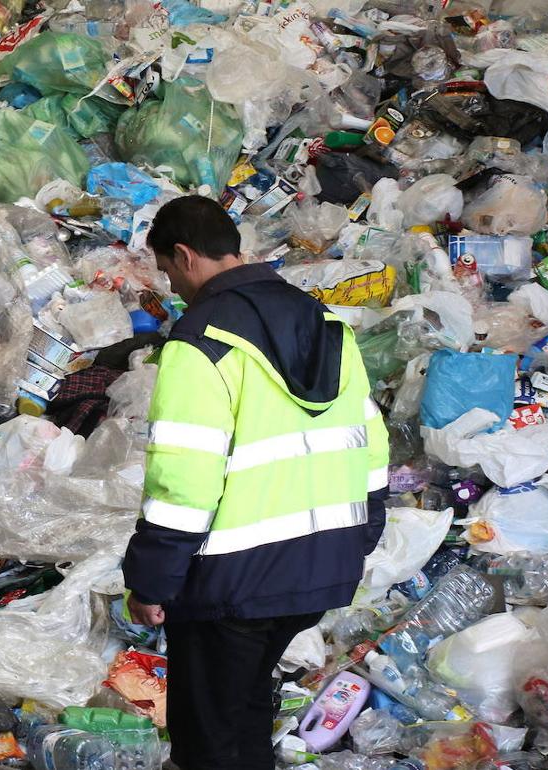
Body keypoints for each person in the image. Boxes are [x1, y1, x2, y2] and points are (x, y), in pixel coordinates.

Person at [122, 196, 389, 770]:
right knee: (242, 708)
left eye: (169, 272)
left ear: (185, 256)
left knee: (206, 740)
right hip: (322, 566)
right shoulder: (328, 323)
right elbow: (371, 437)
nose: (172, 287)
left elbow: (184, 480)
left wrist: (150, 583)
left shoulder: (200, 340)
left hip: (231, 582)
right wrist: (360, 535)